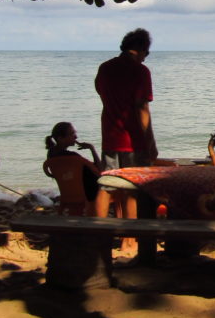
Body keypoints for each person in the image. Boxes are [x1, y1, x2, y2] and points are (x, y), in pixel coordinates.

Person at [94, 28, 158, 169]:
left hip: (110, 140)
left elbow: (100, 92)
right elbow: (142, 109)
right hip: (134, 144)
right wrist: (151, 144)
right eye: (146, 52)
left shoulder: (104, 68)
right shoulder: (141, 72)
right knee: (138, 188)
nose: (145, 57)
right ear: (140, 49)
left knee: (110, 186)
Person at [43, 121, 102, 202]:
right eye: (72, 134)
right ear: (60, 139)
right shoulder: (73, 157)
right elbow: (99, 170)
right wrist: (92, 149)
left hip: (68, 193)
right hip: (90, 193)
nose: (76, 137)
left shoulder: (51, 154)